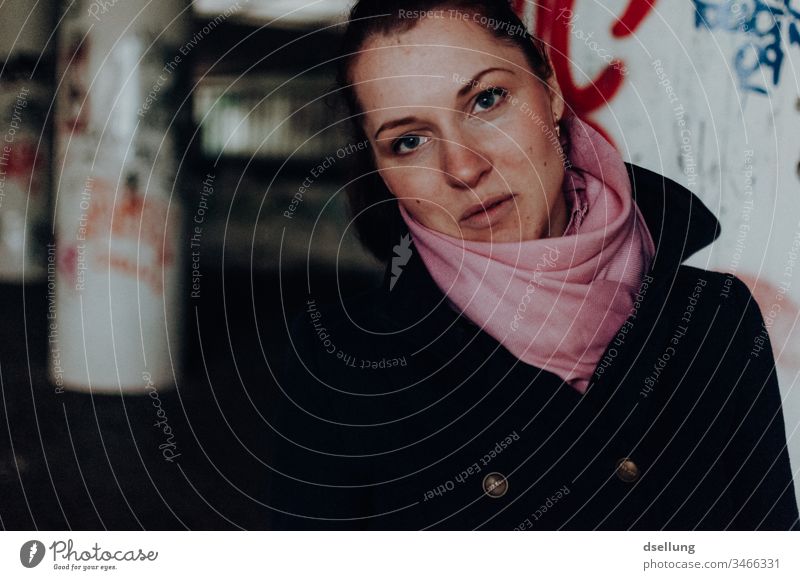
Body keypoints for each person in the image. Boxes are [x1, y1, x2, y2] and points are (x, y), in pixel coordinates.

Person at [265, 0, 799, 530]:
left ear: (550, 88)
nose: (464, 167)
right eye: (409, 141)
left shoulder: (715, 319)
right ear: (381, 170)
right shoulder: (338, 368)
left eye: (487, 100)